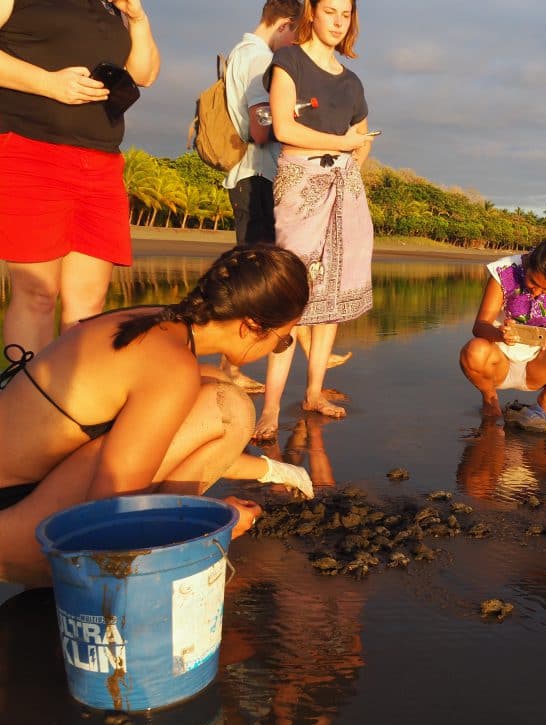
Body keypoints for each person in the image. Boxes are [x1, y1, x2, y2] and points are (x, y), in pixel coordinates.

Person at [0, 244, 316, 588]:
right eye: (283, 341)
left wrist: (270, 470)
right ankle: (152, 561)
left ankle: (160, 533)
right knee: (229, 407)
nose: (278, 348)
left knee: (215, 386)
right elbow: (106, 513)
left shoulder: (155, 323)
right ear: (252, 326)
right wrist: (209, 523)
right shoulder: (170, 368)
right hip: (19, 535)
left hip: (19, 502)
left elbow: (149, 446)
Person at [0, 0, 160, 353]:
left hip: (102, 161)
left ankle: (72, 402)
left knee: (89, 302)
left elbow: (145, 74)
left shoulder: (112, 5)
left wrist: (137, 16)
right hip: (30, 150)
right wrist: (48, 84)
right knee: (37, 294)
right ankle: (24, 400)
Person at [252, 0, 376, 441]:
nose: (338, 21)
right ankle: (269, 409)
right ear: (311, 12)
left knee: (333, 296)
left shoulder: (353, 82)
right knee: (292, 296)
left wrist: (348, 162)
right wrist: (341, 145)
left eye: (346, 14)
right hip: (301, 183)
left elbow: (362, 139)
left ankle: (314, 392)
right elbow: (283, 128)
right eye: (330, 11)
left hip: (344, 186)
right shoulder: (289, 60)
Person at [219, 0, 300, 393]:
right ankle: (231, 365)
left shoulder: (245, 52)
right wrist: (293, 120)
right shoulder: (257, 59)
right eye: (297, 34)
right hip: (255, 175)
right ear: (286, 24)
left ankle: (239, 359)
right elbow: (261, 129)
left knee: (252, 272)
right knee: (252, 275)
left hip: (252, 176)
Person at [459, 228, 546, 426]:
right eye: (533, 282)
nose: (537, 292)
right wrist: (500, 334)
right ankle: (490, 399)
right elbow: (479, 326)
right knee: (474, 350)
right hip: (499, 361)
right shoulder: (505, 270)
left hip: (539, 363)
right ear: (529, 263)